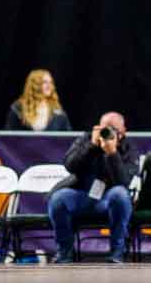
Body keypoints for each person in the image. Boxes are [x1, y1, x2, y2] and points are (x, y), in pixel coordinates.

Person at [50, 111, 136, 263]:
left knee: (120, 194)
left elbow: (124, 182)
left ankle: (117, 253)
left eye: (113, 129)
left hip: (109, 199)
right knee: (59, 199)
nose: (107, 132)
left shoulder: (128, 149)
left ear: (123, 133)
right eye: (104, 128)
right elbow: (70, 165)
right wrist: (91, 146)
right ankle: (65, 253)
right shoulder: (86, 140)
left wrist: (112, 154)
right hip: (83, 195)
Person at [6, 68, 71, 131]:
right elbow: (9, 136)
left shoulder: (57, 111)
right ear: (35, 85)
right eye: (44, 82)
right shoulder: (18, 108)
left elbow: (68, 137)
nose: (49, 86)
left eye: (51, 82)